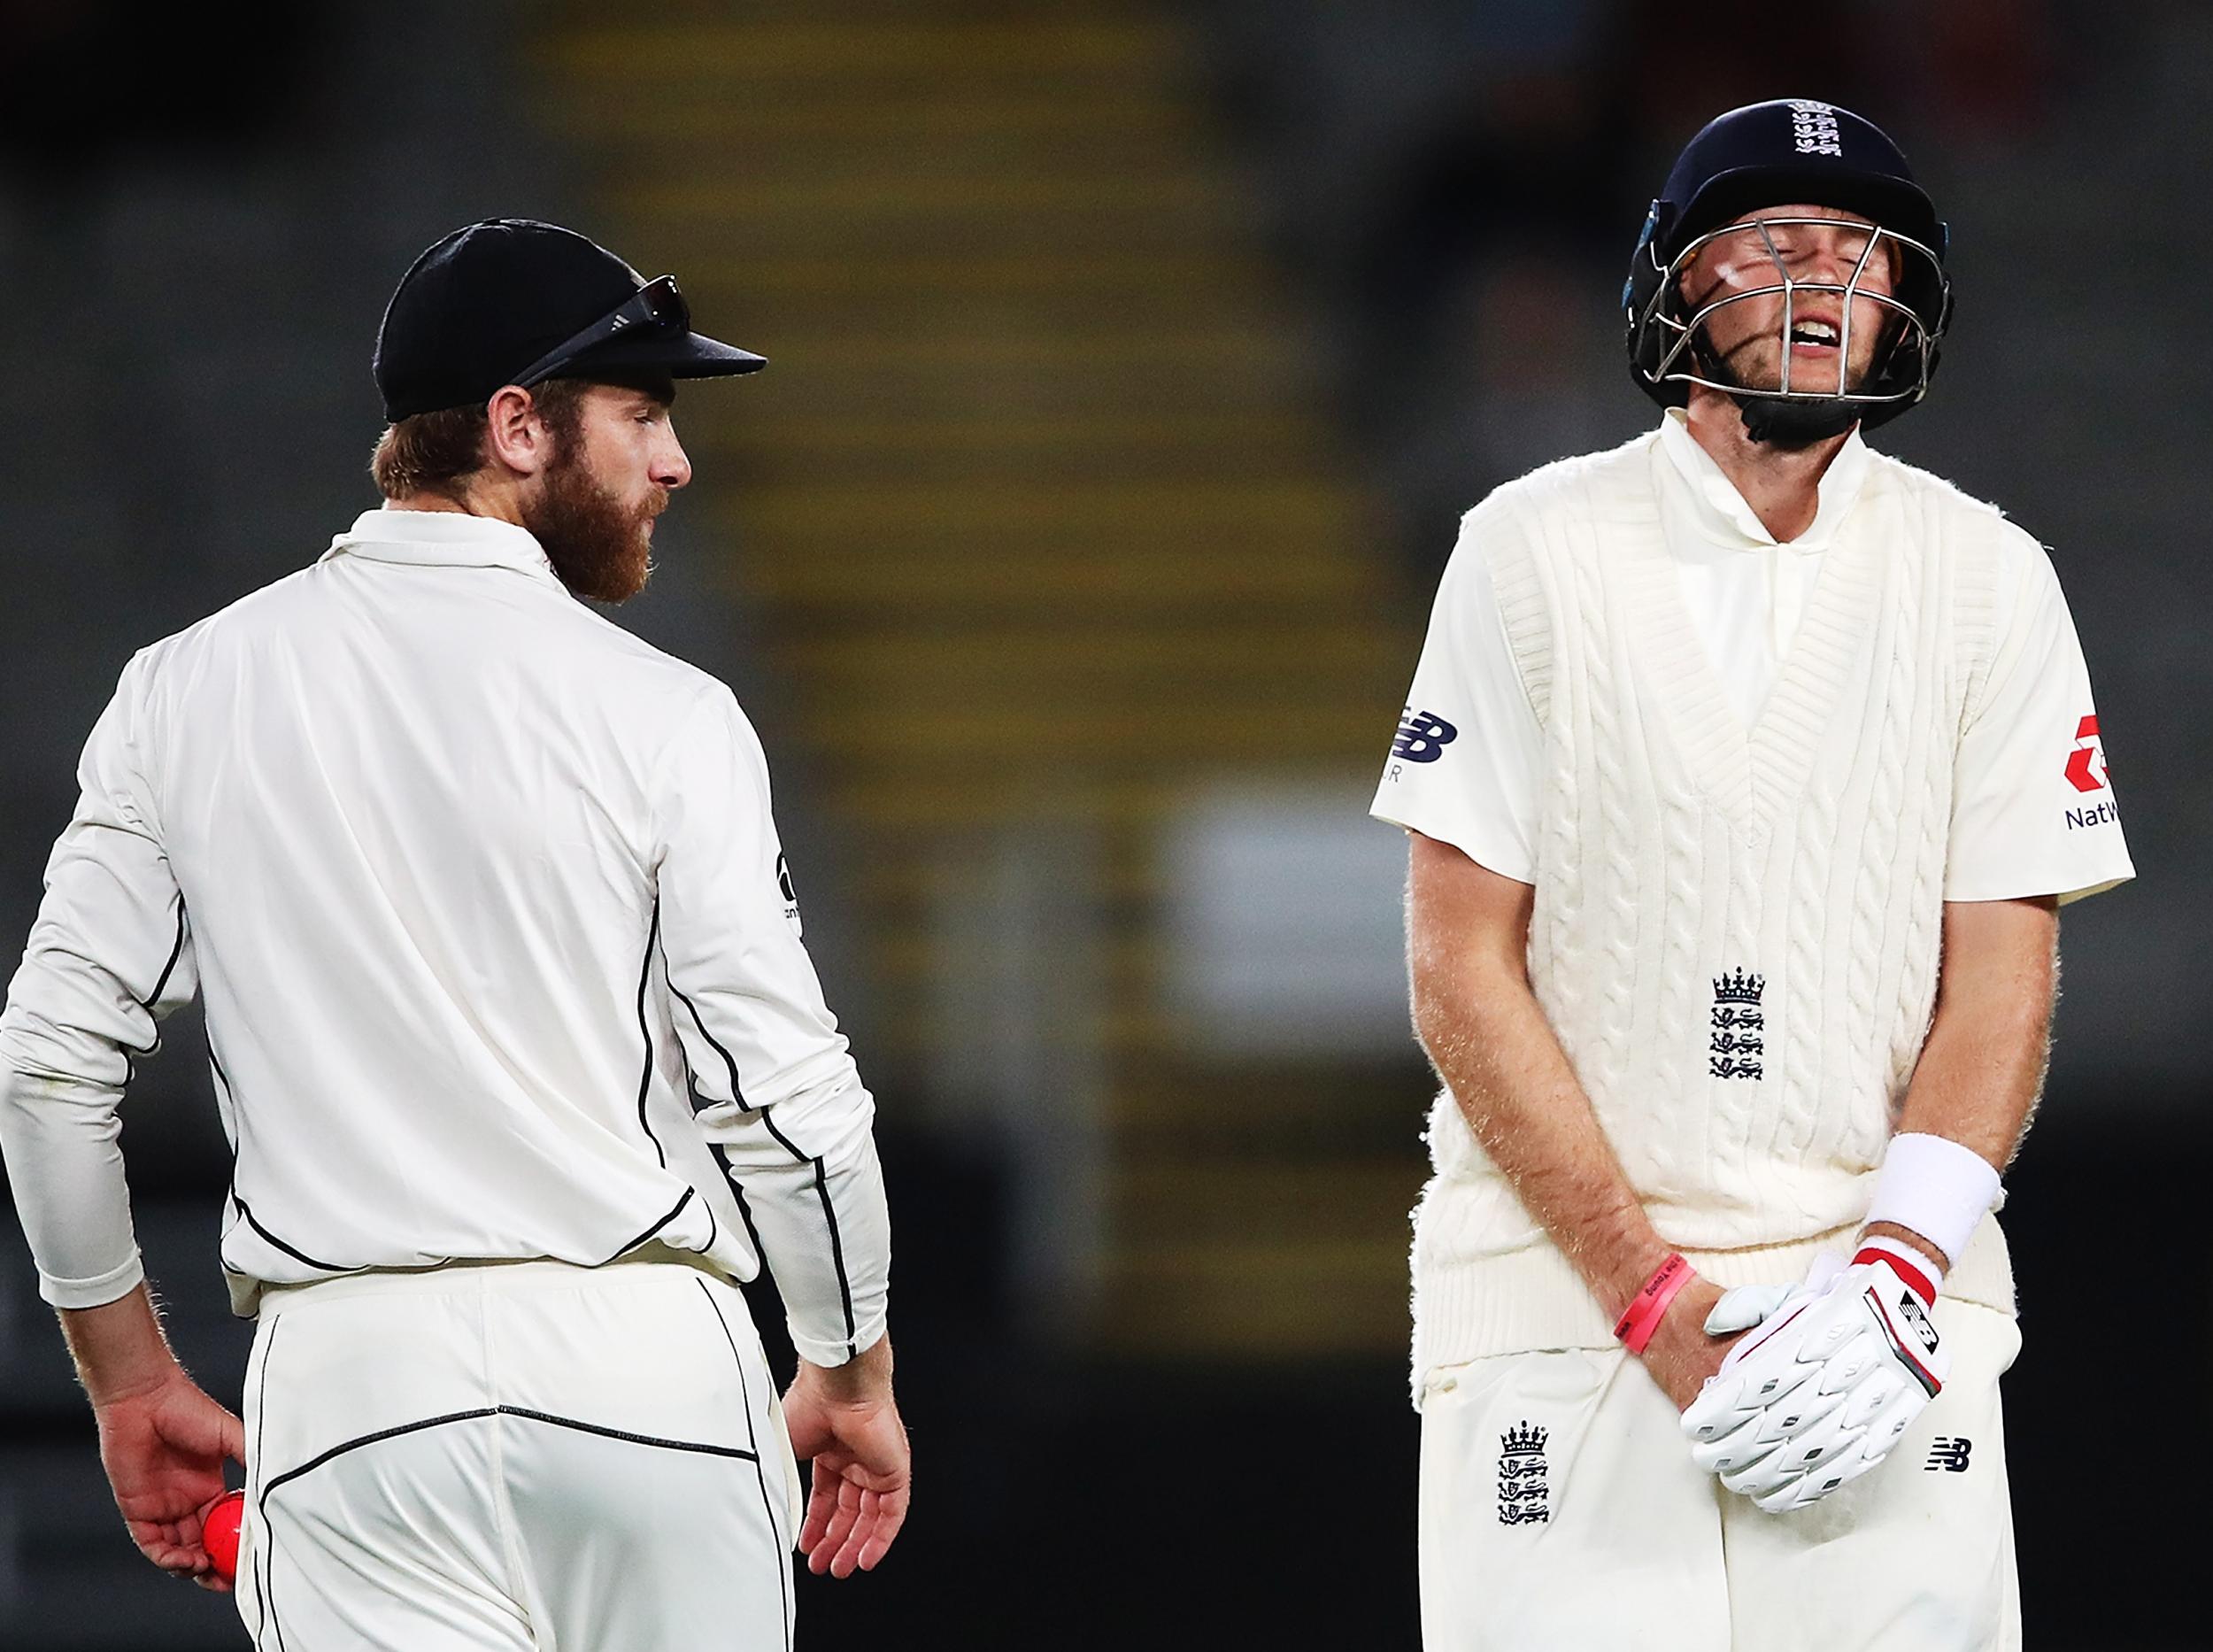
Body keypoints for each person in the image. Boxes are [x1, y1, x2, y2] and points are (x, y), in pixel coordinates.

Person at [0, 218, 907, 1649]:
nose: (673, 461)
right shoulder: (668, 715)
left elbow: (47, 1067)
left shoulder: (181, 693)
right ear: (515, 426)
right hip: (650, 1377)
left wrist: (127, 1380)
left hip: (354, 1395)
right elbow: (787, 1101)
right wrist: (849, 1366)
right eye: (644, 411)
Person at [1371, 100, 2132, 1649]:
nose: (1821, 283)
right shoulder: (1526, 549)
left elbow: (2005, 975)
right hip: (1566, 1326)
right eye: (1774, 243)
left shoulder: (1991, 578)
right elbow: (1459, 967)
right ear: (1678, 279)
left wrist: (1900, 1266)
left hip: (1885, 1329)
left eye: (1859, 253)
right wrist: (1650, 1295)